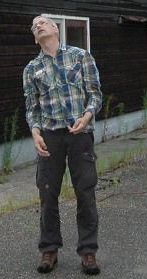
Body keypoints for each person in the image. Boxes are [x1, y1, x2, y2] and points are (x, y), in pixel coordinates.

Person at [23, 16, 103, 275]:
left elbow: (95, 94)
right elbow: (31, 108)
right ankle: (49, 249)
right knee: (47, 194)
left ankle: (88, 252)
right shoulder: (31, 69)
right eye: (34, 26)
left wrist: (87, 117)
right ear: (35, 38)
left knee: (86, 193)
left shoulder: (81, 57)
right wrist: (35, 134)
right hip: (50, 136)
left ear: (56, 28)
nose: (38, 25)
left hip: (80, 134)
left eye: (43, 22)